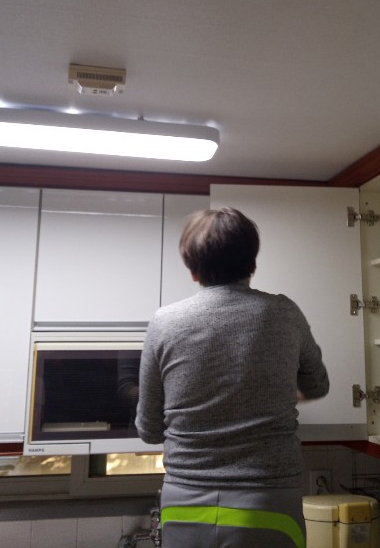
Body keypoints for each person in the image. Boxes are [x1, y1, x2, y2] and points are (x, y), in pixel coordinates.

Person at [136, 207, 330, 548]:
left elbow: (150, 430)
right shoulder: (284, 312)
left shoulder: (164, 322)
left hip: (185, 503)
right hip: (268, 500)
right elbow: (317, 384)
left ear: (193, 270)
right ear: (251, 265)